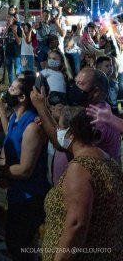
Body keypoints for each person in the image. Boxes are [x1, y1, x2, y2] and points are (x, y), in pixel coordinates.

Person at [41, 107, 123, 261]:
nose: (58, 130)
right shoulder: (107, 160)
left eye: (60, 127)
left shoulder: (80, 168)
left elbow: (77, 224)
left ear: (71, 134)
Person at [31, 67, 121, 186]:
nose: (75, 88)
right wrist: (52, 119)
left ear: (95, 92)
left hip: (80, 191)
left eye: (81, 84)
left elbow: (62, 144)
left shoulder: (98, 119)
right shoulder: (88, 109)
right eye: (75, 82)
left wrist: (41, 108)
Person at [0, 76, 50, 260]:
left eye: (11, 89)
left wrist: (1, 171)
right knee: (20, 244)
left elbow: (25, 169)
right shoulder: (14, 118)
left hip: (29, 197)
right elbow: (9, 143)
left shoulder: (32, 126)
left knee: (19, 245)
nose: (6, 91)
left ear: (22, 98)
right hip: (16, 193)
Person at [2, 14, 22, 84]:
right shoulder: (7, 29)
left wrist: (14, 32)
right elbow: (3, 37)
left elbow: (19, 42)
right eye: (6, 20)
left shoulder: (18, 28)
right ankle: (11, 87)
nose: (7, 21)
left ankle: (19, 87)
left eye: (9, 20)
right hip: (8, 53)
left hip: (16, 54)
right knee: (9, 72)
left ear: (13, 20)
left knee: (18, 72)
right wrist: (7, 28)